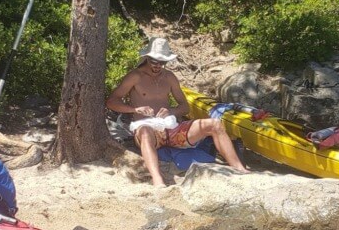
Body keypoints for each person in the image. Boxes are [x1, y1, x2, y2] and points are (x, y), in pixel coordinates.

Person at [106, 37, 250, 187]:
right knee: (146, 133)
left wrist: (171, 111)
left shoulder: (169, 77)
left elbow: (184, 107)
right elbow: (112, 101)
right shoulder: (135, 76)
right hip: (147, 129)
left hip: (171, 128)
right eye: (154, 62)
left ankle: (239, 168)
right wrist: (134, 109)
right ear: (147, 58)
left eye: (162, 62)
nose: (158, 66)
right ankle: (158, 180)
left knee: (215, 124)